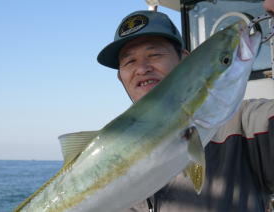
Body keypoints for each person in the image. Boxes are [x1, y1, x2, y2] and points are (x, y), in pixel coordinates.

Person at [97, 9, 274, 212]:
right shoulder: (106, 152)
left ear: (184, 61)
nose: (142, 68)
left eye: (154, 54)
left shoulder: (245, 124)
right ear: (121, 77)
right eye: (129, 61)